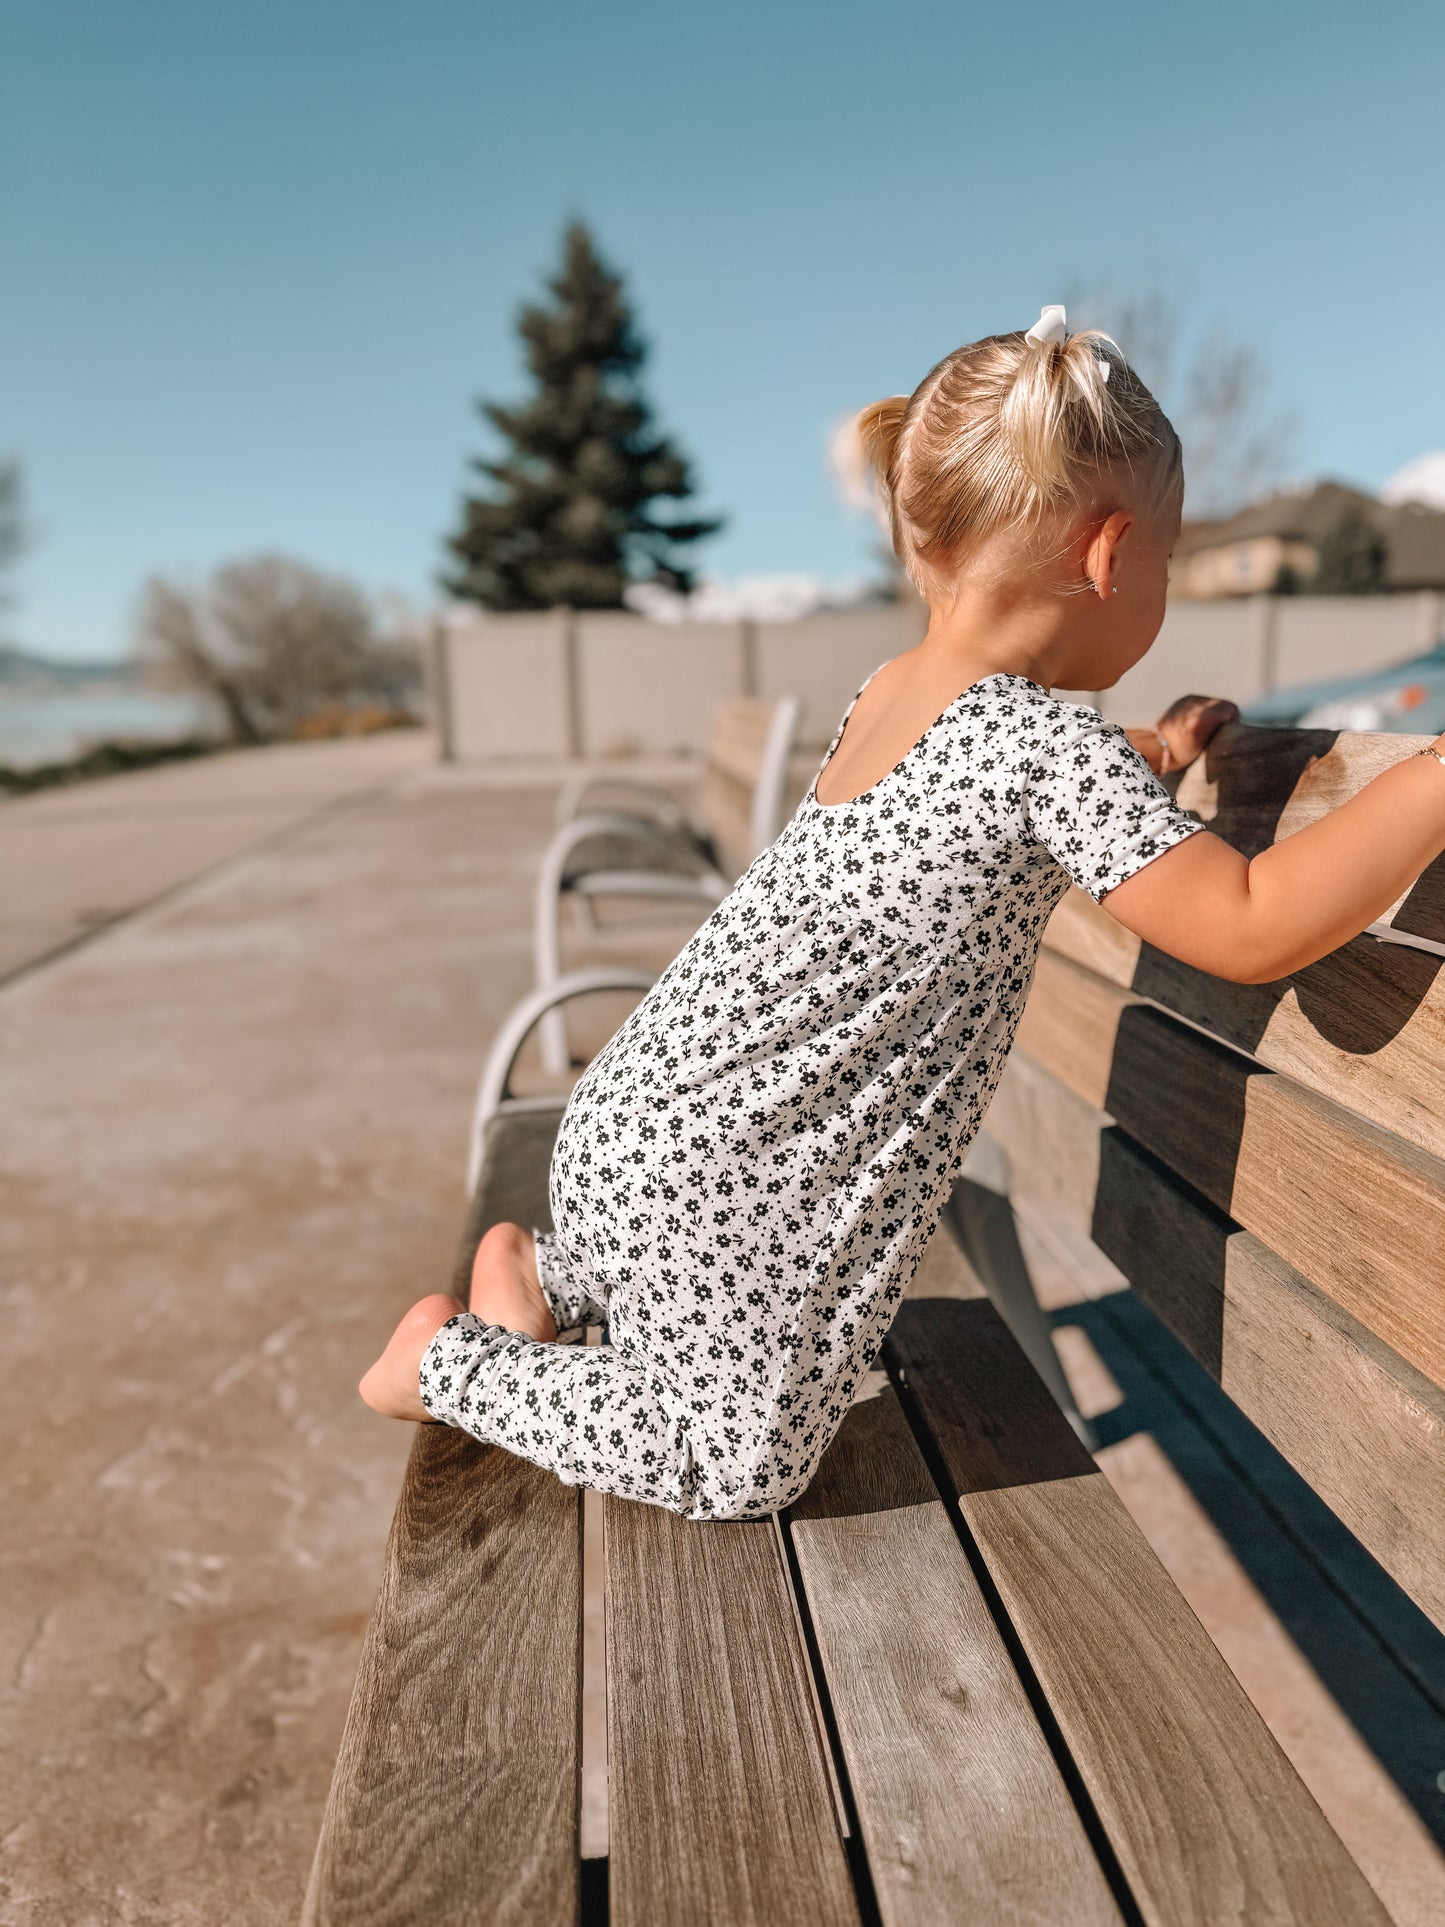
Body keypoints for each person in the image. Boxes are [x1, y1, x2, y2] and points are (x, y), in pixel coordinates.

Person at [360, 304, 1445, 1521]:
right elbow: (1250, 922)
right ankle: (447, 1363)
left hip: (639, 1138)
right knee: (738, 1462)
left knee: (681, 1341)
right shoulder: (1037, 746)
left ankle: (542, 1283)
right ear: (1107, 555)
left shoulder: (897, 695)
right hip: (725, 1185)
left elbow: (984, 827)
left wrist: (1152, 753)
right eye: (1170, 564)